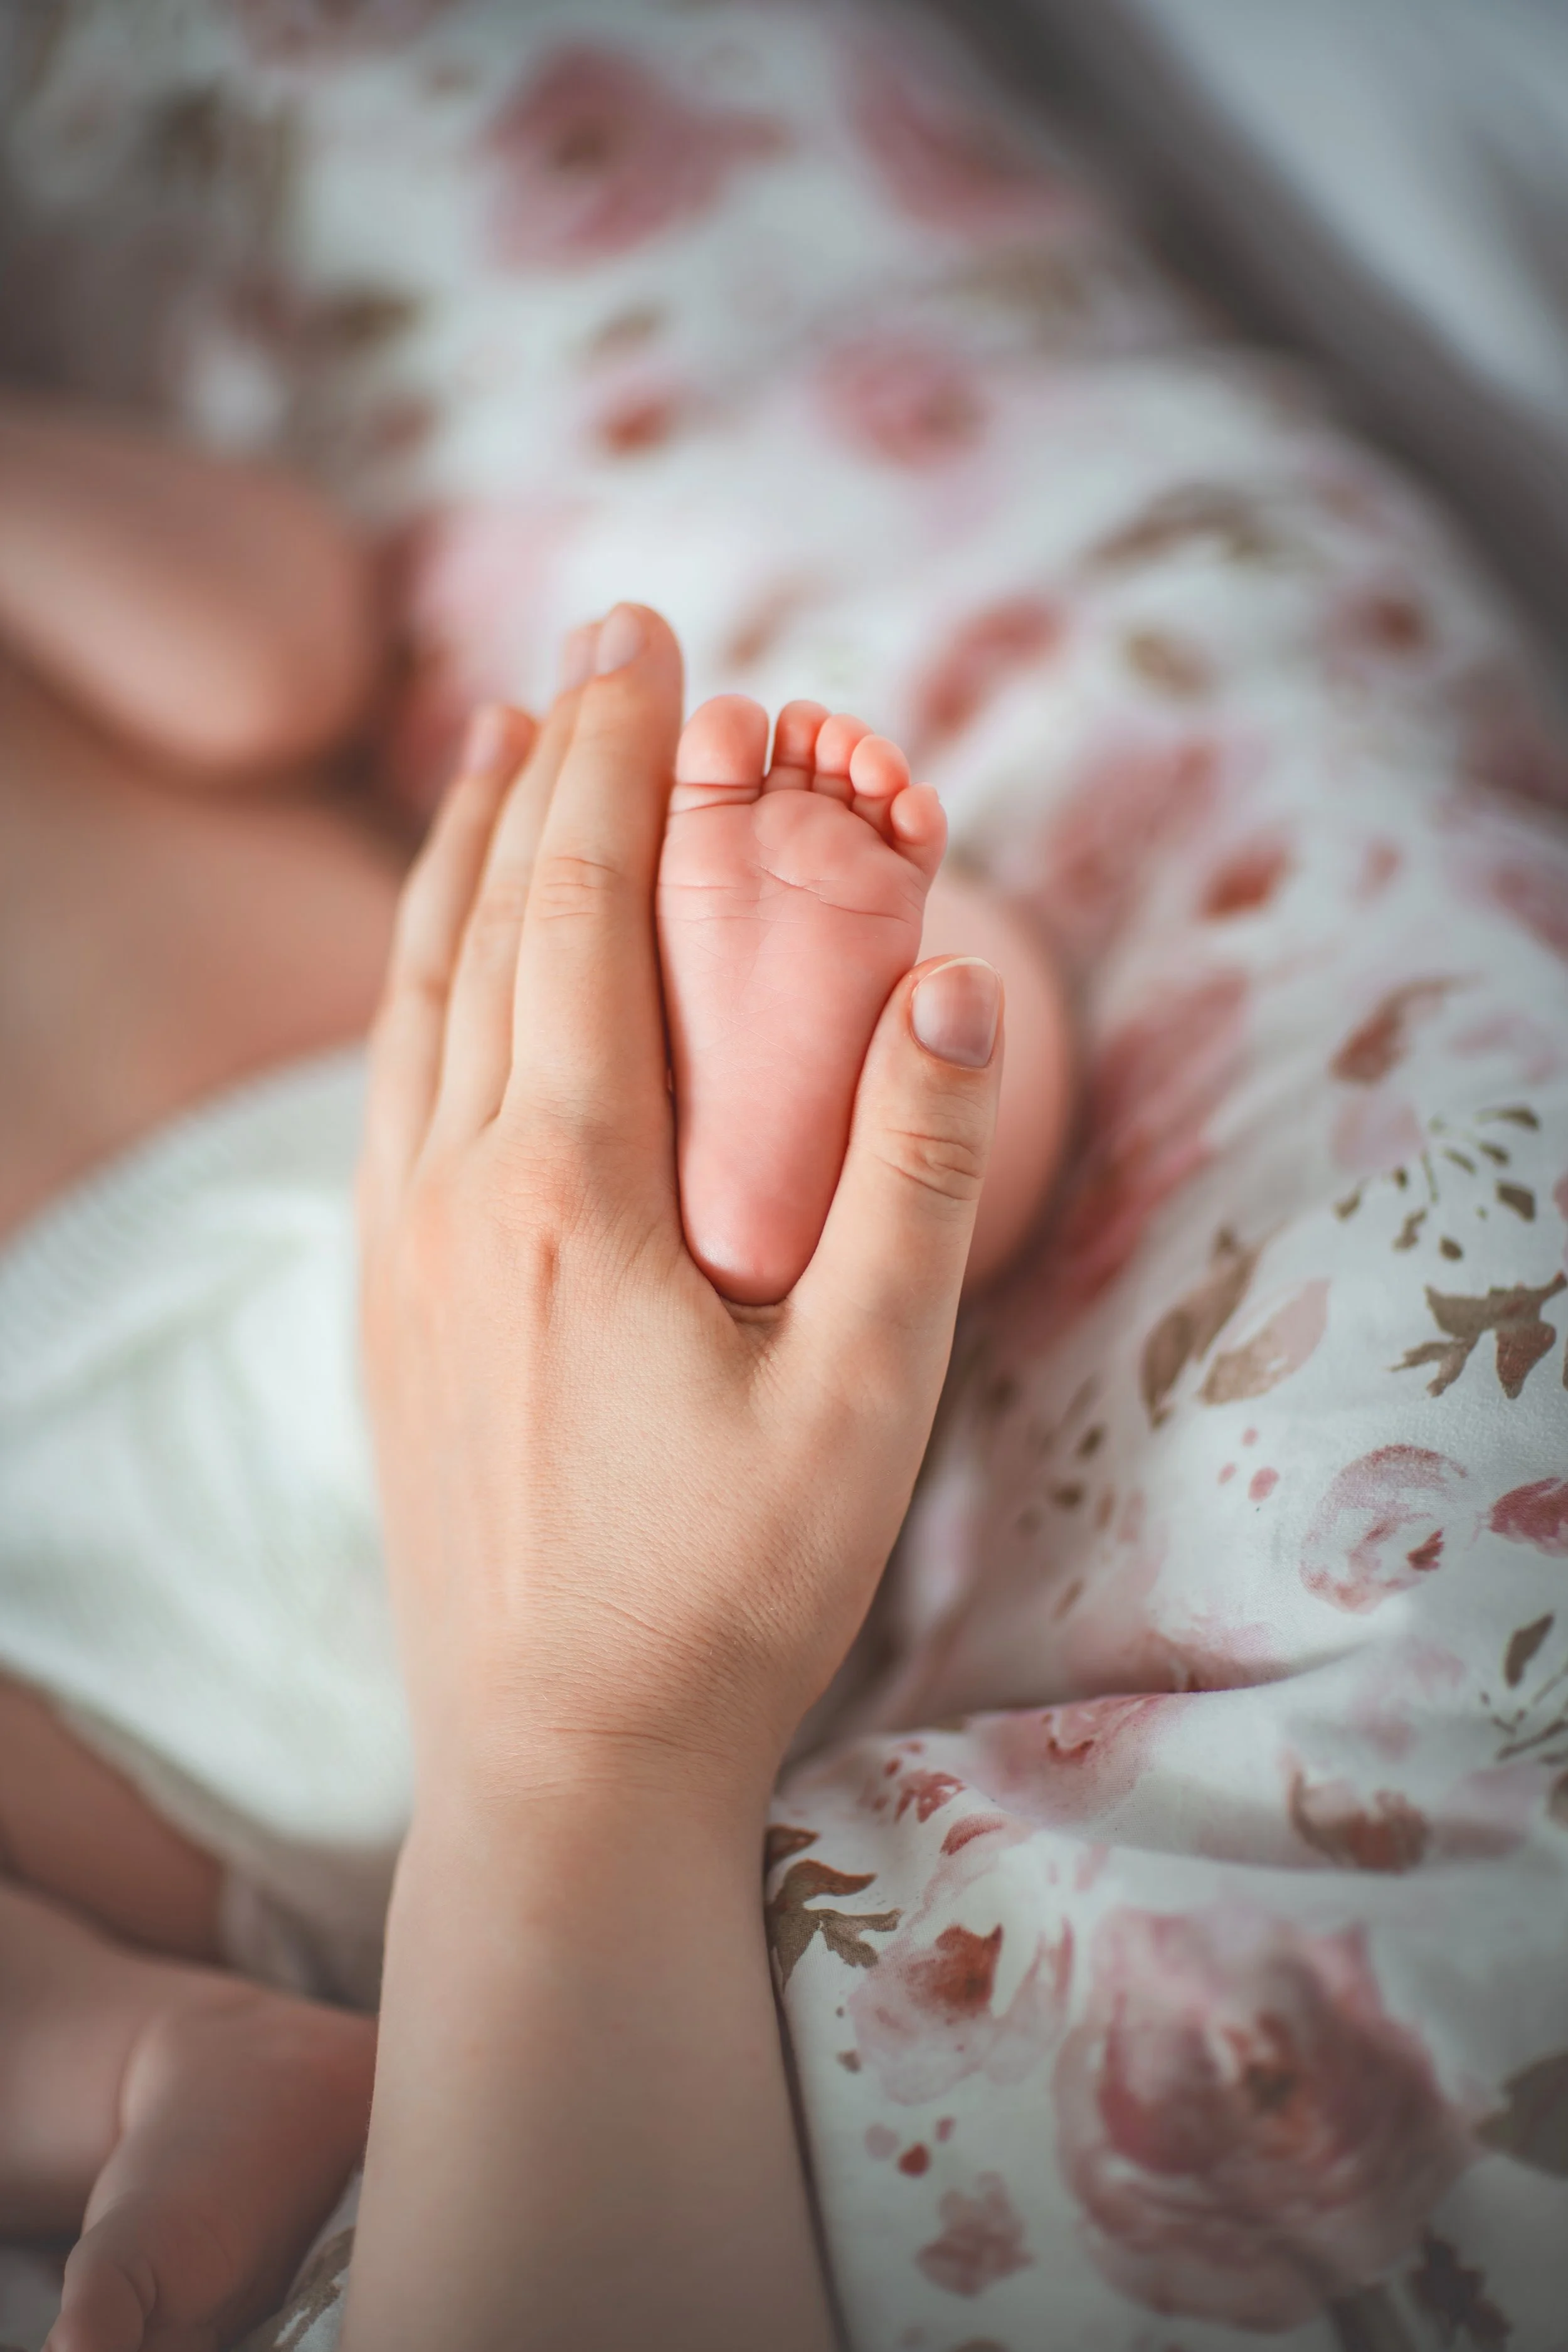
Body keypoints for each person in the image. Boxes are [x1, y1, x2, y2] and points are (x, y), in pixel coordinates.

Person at [0, 400, 1071, 2351]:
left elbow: (266, 652)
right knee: (907, 1076)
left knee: (921, 1040)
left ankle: (765, 1174)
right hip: (70, 1628)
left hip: (405, 1210)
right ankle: (158, 2057)